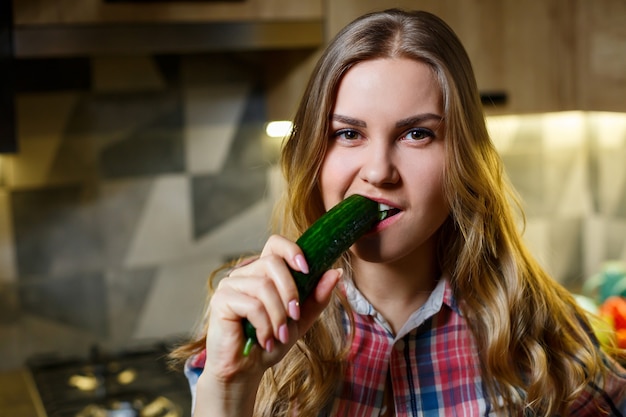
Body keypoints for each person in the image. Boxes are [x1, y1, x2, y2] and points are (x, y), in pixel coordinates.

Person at [170, 8, 626, 417]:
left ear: (463, 157)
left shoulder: (549, 336)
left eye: (416, 135)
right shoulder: (252, 311)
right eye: (349, 134)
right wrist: (230, 385)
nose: (379, 171)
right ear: (316, 153)